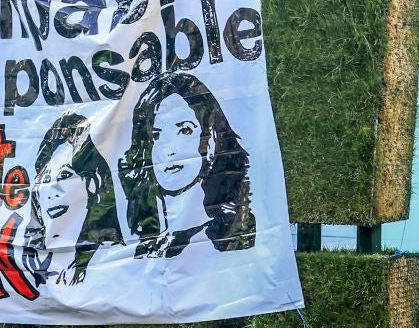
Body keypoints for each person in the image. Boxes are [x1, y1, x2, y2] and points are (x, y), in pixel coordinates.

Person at [122, 72, 256, 258]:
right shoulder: (147, 243)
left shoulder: (233, 236)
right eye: (156, 135)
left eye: (185, 130)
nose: (169, 150)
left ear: (212, 140)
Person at [19, 112, 123, 287]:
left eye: (64, 176)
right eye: (46, 180)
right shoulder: (32, 270)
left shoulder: (116, 262)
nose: (53, 189)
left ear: (91, 184)